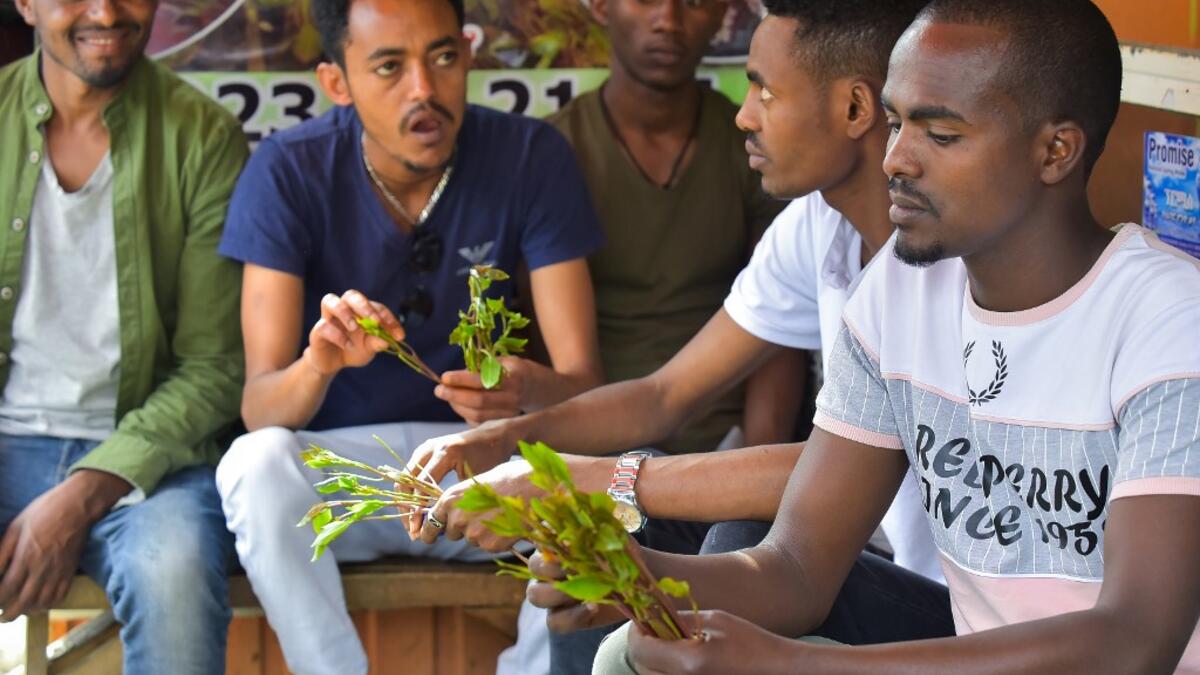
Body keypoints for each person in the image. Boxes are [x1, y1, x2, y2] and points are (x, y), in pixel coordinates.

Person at [570, 1, 1200, 672]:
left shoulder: (1168, 319)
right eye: (897, 122)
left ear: (1055, 150)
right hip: (967, 652)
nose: (896, 158)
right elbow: (796, 567)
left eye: (941, 134)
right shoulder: (902, 289)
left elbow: (1136, 638)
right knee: (632, 652)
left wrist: (795, 665)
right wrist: (622, 571)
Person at [410, 0, 951, 669]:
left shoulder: (941, 259)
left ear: (855, 109)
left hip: (940, 603)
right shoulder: (819, 223)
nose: (745, 114)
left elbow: (840, 469)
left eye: (765, 90)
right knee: (596, 534)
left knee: (738, 530)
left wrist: (589, 476)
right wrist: (498, 440)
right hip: (849, 552)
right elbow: (666, 394)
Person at [212, 0, 606, 673]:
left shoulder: (529, 155)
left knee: (602, 487)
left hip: (485, 464)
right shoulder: (288, 169)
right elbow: (261, 409)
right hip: (351, 478)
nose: (424, 89)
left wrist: (525, 392)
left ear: (469, 53)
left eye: (444, 57)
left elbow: (586, 387)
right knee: (253, 467)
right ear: (337, 82)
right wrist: (319, 363)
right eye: (389, 67)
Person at [0, 0, 248, 673]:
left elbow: (216, 365)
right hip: (6, 440)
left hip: (150, 456)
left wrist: (81, 494)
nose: (105, 11)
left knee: (172, 570)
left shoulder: (203, 137)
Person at [547, 0, 797, 457]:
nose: (669, 20)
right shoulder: (554, 152)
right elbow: (556, 358)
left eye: (696, 3)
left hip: (724, 446)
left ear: (722, 13)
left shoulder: (754, 147)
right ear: (602, 7)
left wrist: (755, 473)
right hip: (594, 445)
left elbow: (782, 325)